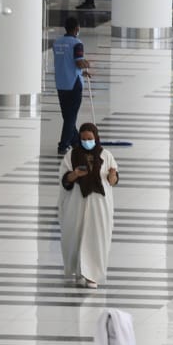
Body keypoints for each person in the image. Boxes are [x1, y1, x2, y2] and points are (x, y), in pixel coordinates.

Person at [58, 123, 119, 288]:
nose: (86, 142)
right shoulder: (71, 156)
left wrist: (112, 174)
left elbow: (112, 181)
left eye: (90, 139)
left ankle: (92, 274)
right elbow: (65, 180)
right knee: (75, 236)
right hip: (77, 204)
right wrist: (75, 174)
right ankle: (79, 270)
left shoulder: (106, 156)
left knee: (96, 238)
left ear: (96, 138)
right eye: (83, 139)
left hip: (99, 206)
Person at [53, 16, 90, 156]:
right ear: (77, 28)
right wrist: (86, 65)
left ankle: (75, 141)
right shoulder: (77, 43)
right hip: (74, 84)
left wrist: (82, 71)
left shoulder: (57, 43)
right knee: (71, 116)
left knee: (67, 115)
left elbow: (65, 62)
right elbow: (78, 62)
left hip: (61, 83)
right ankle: (63, 145)